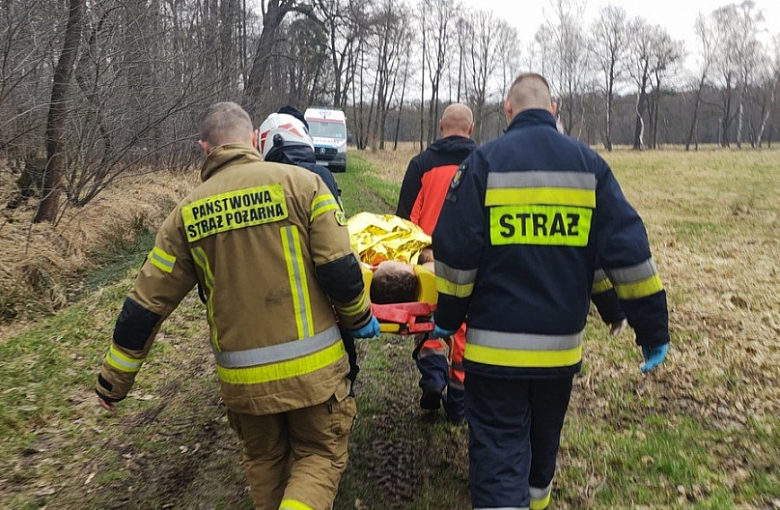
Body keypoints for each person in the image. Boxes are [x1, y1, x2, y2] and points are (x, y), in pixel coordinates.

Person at [94, 102, 380, 510]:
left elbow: (146, 305)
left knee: (265, 461)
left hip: (244, 383)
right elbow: (338, 268)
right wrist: (359, 318)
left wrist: (113, 381)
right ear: (252, 140)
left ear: (203, 148)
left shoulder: (183, 216)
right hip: (314, 375)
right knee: (319, 456)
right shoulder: (304, 185)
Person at [431, 74, 670, 510]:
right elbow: (621, 253)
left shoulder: (483, 163)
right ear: (554, 108)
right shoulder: (590, 166)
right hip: (558, 356)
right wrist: (648, 328)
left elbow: (457, 253)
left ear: (507, 108)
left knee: (500, 456)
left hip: (494, 353)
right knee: (542, 454)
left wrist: (448, 316)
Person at [259, 107, 362, 385]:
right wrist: (358, 317)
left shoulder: (255, 181)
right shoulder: (319, 178)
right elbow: (336, 250)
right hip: (317, 293)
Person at [396, 103, 477, 423]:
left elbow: (404, 222)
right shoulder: (484, 162)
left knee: (429, 316)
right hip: (472, 262)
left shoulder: (421, 164)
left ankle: (432, 377)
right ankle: (459, 400)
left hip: (430, 260)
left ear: (441, 126)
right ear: (470, 129)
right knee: (464, 328)